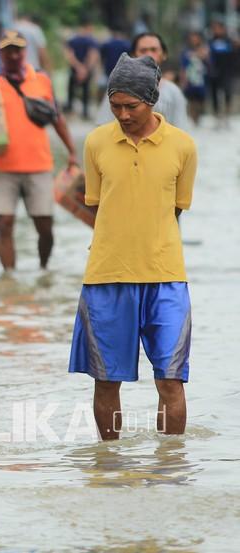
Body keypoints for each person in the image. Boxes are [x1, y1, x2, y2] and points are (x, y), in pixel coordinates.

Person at [69, 53, 197, 440]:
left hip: (166, 277)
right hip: (106, 277)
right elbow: (96, 203)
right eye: (115, 105)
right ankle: (109, 466)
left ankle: (169, 466)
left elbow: (175, 207)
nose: (122, 114)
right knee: (106, 382)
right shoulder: (95, 142)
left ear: (152, 100)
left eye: (131, 106)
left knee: (171, 382)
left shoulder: (183, 147)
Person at [0, 30, 78, 272]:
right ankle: (9, 280)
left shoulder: (42, 80)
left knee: (45, 226)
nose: (14, 54)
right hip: (2, 166)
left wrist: (72, 151)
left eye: (18, 49)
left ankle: (43, 270)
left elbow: (57, 118)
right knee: (4, 225)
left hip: (39, 165)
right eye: (8, 50)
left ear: (25, 52)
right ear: (0, 54)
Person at [96, 33, 189, 130]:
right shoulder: (118, 88)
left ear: (164, 54)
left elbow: (181, 128)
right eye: (143, 50)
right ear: (133, 55)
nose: (149, 55)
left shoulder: (174, 92)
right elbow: (103, 125)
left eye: (154, 50)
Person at [64, 19, 99, 119]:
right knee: (86, 90)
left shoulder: (72, 40)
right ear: (88, 27)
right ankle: (85, 112)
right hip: (86, 70)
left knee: (71, 89)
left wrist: (78, 67)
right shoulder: (92, 40)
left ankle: (70, 110)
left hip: (74, 69)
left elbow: (69, 55)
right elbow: (93, 55)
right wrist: (85, 68)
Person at [208, 19, 235, 128]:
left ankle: (227, 116)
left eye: (218, 28)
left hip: (227, 72)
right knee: (215, 95)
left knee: (227, 93)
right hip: (214, 73)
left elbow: (233, 56)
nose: (216, 30)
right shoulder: (210, 41)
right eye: (214, 28)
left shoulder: (229, 41)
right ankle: (217, 116)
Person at [180, 31, 210, 125]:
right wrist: (183, 78)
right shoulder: (186, 51)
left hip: (201, 78)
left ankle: (198, 115)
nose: (194, 40)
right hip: (190, 78)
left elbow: (209, 62)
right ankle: (193, 117)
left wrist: (204, 56)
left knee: (201, 98)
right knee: (191, 98)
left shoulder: (205, 49)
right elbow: (183, 66)